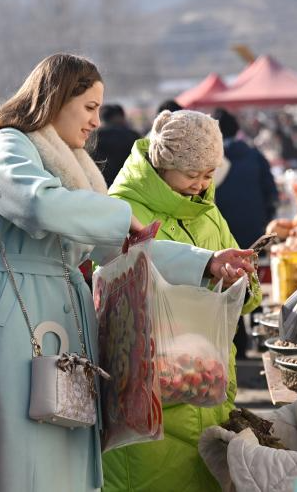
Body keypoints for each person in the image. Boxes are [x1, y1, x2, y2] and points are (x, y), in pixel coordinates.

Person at [0, 53, 255, 492]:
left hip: (58, 320)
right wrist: (118, 216)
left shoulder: (71, 159)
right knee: (20, 457)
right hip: (12, 320)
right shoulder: (8, 143)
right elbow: (38, 204)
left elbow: (123, 249)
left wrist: (205, 262)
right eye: (90, 107)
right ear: (56, 98)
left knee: (59, 455)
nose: (96, 121)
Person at [103, 109, 262, 491]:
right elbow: (114, 291)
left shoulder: (207, 211)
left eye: (209, 174)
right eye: (192, 174)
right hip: (153, 393)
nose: (202, 184)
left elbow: (241, 297)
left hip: (206, 382)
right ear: (162, 164)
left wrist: (241, 284)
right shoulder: (123, 209)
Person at [212, 108, 278, 249]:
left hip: (224, 237)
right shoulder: (254, 155)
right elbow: (271, 193)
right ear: (236, 130)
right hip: (256, 232)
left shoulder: (211, 161)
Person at [91, 103, 140, 187]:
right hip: (126, 189)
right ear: (120, 118)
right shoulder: (133, 137)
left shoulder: (90, 138)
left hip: (98, 188)